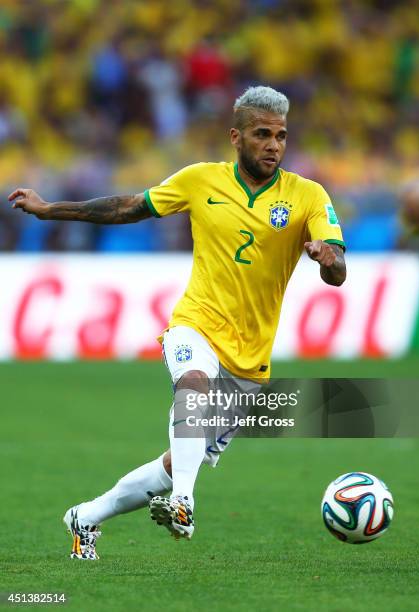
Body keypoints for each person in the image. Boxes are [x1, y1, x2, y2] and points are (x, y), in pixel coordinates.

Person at [7, 86, 346, 560]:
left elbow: (338, 272)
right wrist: (51, 209)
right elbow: (129, 207)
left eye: (281, 136)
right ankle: (184, 502)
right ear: (236, 137)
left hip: (250, 358)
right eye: (262, 134)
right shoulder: (199, 181)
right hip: (196, 323)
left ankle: (85, 516)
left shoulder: (308, 195)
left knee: (171, 464)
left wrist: (328, 259)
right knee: (193, 384)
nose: (273, 144)